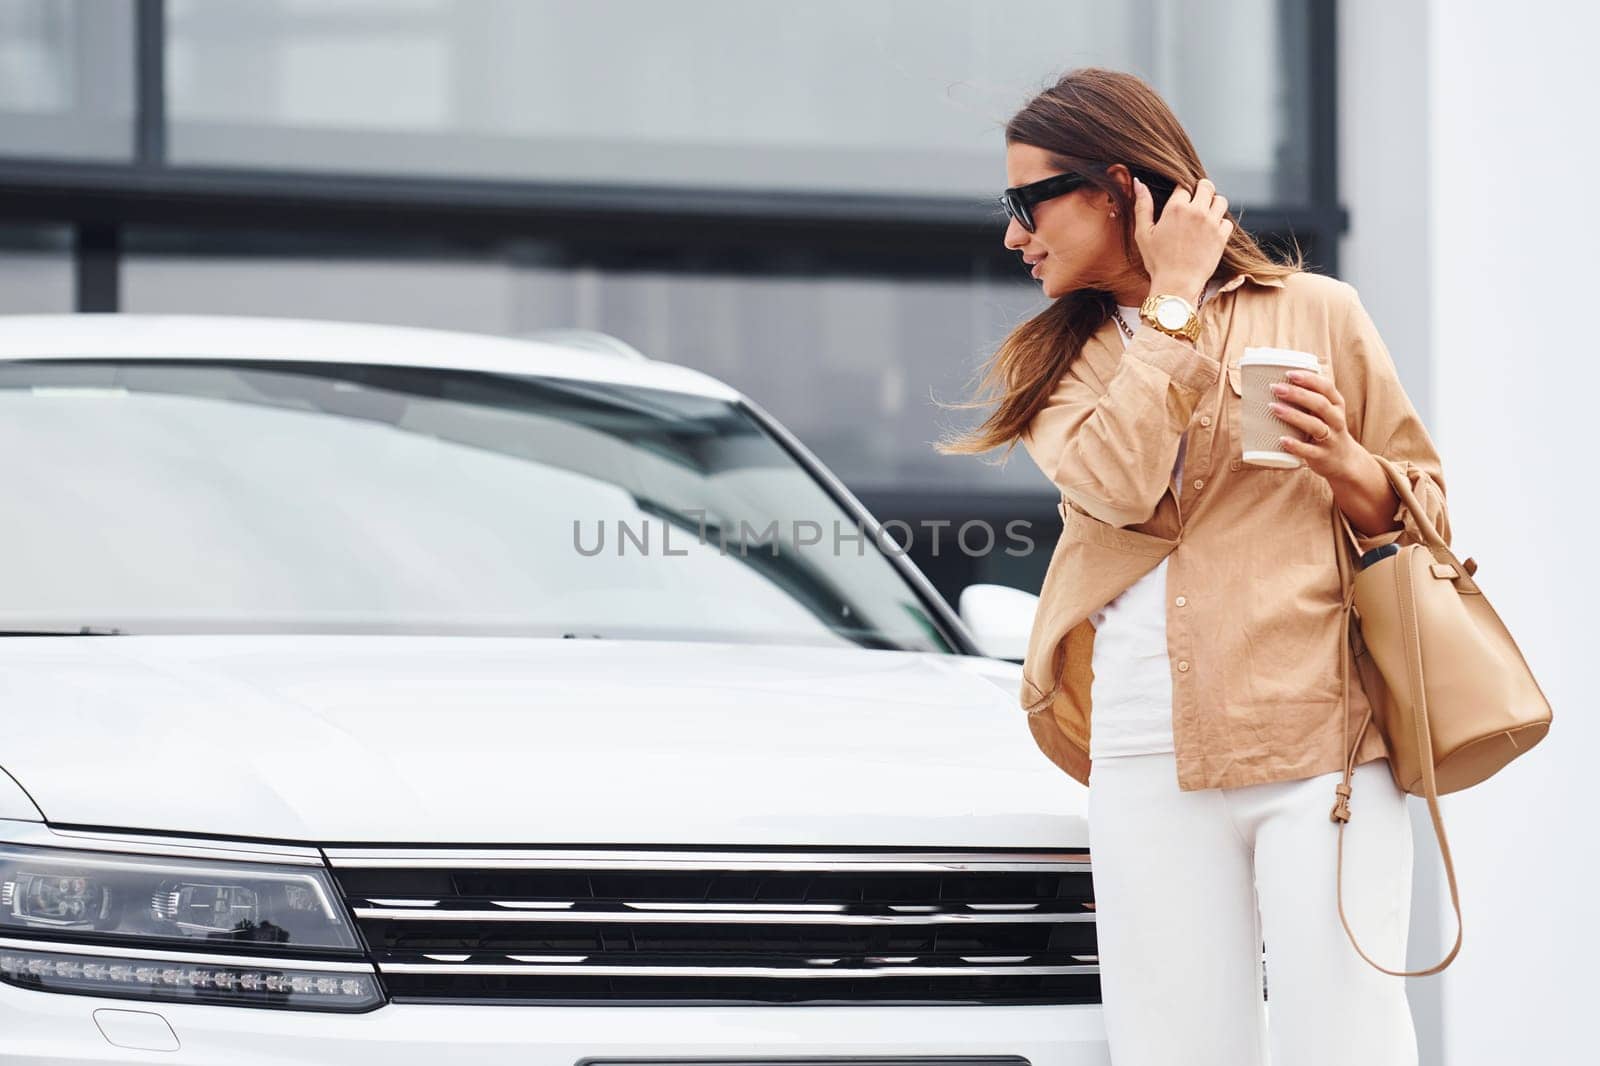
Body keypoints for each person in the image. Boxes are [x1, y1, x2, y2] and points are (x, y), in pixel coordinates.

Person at [935, 68, 1450, 1066]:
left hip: (1324, 745)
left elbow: (1423, 512)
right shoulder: (1055, 365)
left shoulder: (1318, 311)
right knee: (1174, 1049)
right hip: (1145, 750)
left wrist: (1345, 463)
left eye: (1025, 202)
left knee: (1344, 1045)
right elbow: (1120, 486)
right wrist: (1171, 301)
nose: (1013, 235)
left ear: (1118, 187)